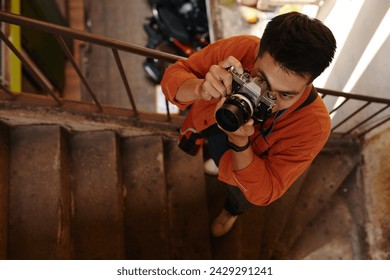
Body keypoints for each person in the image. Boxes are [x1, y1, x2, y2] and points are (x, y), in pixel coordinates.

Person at [161, 11, 336, 237]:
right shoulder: (241, 49)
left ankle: (230, 212)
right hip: (212, 125)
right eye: (259, 79)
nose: (265, 101)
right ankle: (219, 163)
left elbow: (266, 190)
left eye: (283, 95)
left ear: (309, 84)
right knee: (215, 151)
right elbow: (173, 76)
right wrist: (201, 88)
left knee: (239, 195)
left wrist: (239, 142)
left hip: (245, 160)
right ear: (257, 52)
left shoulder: (314, 127)